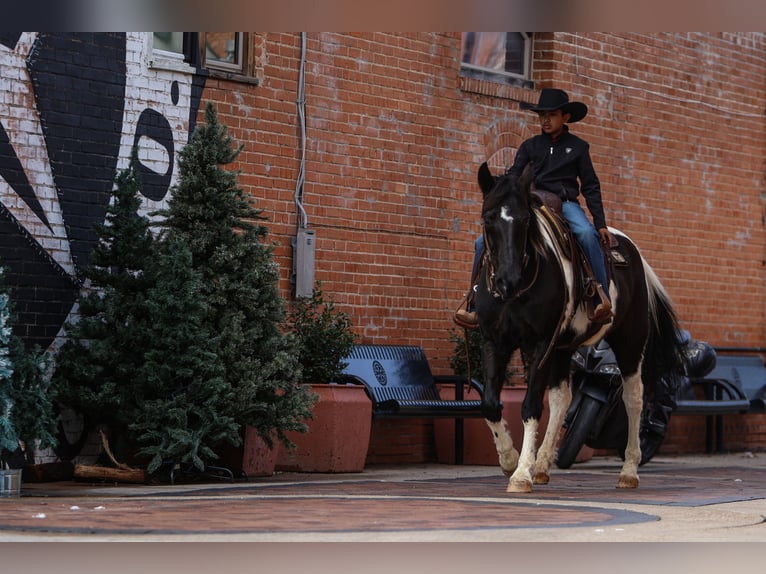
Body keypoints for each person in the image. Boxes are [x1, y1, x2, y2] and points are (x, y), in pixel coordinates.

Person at [455, 88, 614, 328]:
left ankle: (600, 295)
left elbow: (591, 186)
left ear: (565, 117)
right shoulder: (530, 146)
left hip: (565, 204)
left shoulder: (579, 148)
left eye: (551, 115)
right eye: (542, 116)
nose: (545, 120)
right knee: (480, 242)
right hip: (531, 202)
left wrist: (600, 223)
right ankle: (475, 300)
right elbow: (514, 176)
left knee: (585, 234)